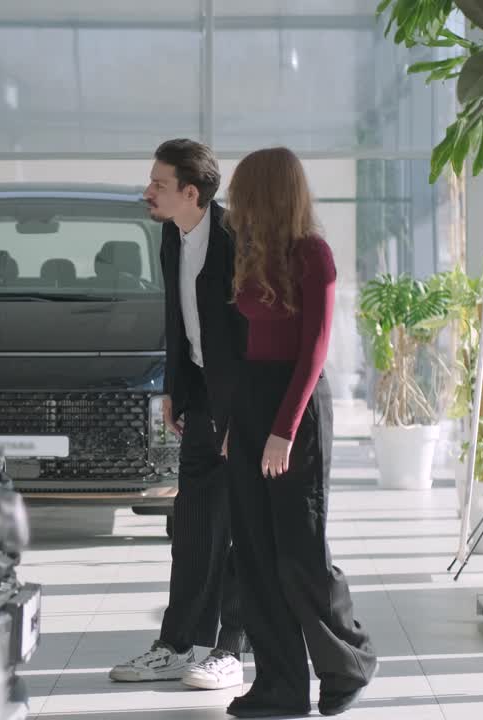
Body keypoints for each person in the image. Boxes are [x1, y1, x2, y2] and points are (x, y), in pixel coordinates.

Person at [221, 146, 378, 718]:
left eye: (242, 190)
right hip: (254, 401)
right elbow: (246, 349)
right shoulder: (250, 252)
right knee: (255, 552)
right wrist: (237, 426)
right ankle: (280, 685)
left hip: (299, 405)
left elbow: (313, 352)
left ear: (267, 191)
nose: (233, 202)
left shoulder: (314, 255)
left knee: (300, 551)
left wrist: (282, 431)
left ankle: (349, 661)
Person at [109, 139, 247, 691]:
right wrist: (174, 389)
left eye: (159, 184)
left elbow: (249, 333)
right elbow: (178, 315)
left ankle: (230, 648)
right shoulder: (171, 234)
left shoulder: (237, 238)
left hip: (243, 401)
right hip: (200, 396)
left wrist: (245, 414)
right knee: (192, 524)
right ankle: (178, 642)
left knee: (239, 525)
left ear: (191, 193)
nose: (148, 192)